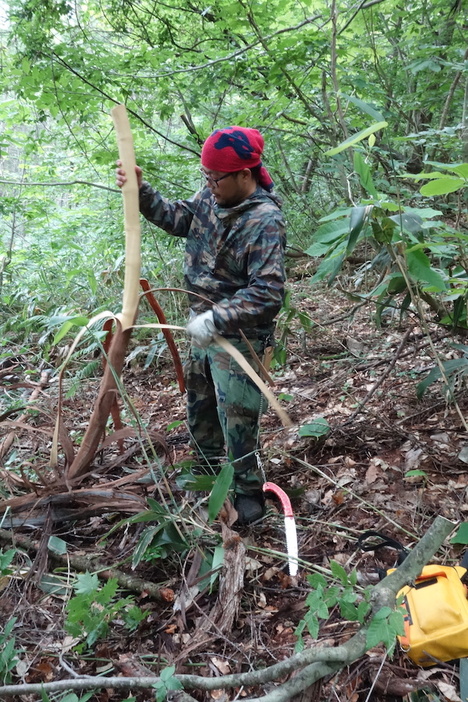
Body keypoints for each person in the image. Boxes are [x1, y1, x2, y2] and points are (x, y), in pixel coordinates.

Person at [116, 126, 286, 525]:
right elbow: (178, 219)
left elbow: (267, 293)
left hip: (240, 338)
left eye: (216, 178)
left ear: (245, 174)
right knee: (201, 406)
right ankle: (208, 474)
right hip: (201, 327)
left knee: (238, 417)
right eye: (205, 176)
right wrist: (142, 191)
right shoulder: (211, 196)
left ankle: (248, 493)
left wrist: (218, 317)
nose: (208, 185)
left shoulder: (264, 220)